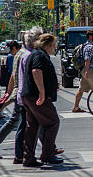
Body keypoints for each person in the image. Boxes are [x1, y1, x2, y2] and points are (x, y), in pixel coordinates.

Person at [22, 34, 62, 167]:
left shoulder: (36, 54)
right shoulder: (40, 55)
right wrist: (42, 93)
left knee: (33, 126)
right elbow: (36, 71)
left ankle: (28, 158)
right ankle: (48, 154)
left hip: (28, 95)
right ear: (48, 45)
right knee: (52, 122)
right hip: (35, 96)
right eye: (53, 46)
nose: (54, 48)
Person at [0, 41, 21, 118]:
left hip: (13, 80)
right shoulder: (12, 56)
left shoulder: (12, 56)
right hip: (13, 81)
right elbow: (12, 70)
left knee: (9, 97)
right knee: (10, 97)